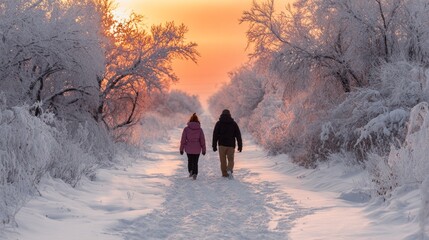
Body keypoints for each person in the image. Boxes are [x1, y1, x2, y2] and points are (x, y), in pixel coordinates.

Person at [212, 109, 242, 178]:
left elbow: (215, 135)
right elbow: (238, 135)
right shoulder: (233, 123)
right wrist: (240, 145)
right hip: (231, 145)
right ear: (229, 115)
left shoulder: (218, 123)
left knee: (223, 160)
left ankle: (224, 174)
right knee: (231, 159)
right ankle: (229, 169)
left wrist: (214, 145)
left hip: (221, 145)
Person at [180, 113, 206, 180]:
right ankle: (195, 173)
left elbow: (183, 139)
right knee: (195, 161)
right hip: (197, 148)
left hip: (188, 147)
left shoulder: (186, 129)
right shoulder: (200, 129)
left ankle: (190, 171)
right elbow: (202, 140)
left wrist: (181, 149)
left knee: (190, 160)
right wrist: (203, 149)